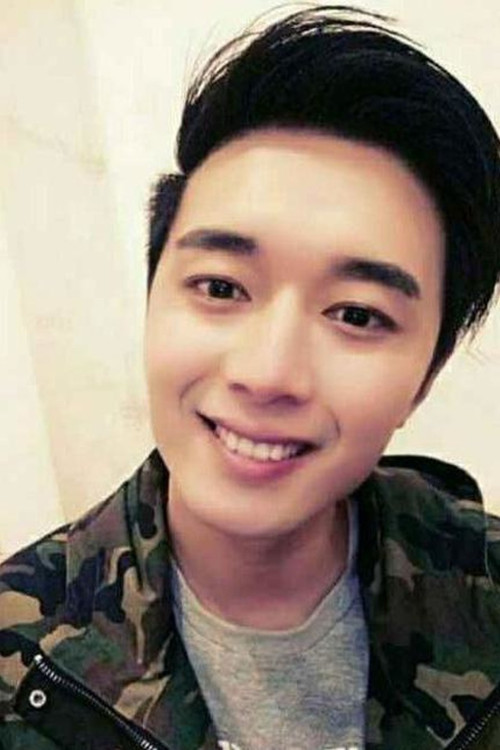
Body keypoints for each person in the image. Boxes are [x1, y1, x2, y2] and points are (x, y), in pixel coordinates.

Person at [1, 5, 500, 749]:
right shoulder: (20, 655)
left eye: (357, 315)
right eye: (221, 287)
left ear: (423, 380)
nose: (268, 373)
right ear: (152, 301)